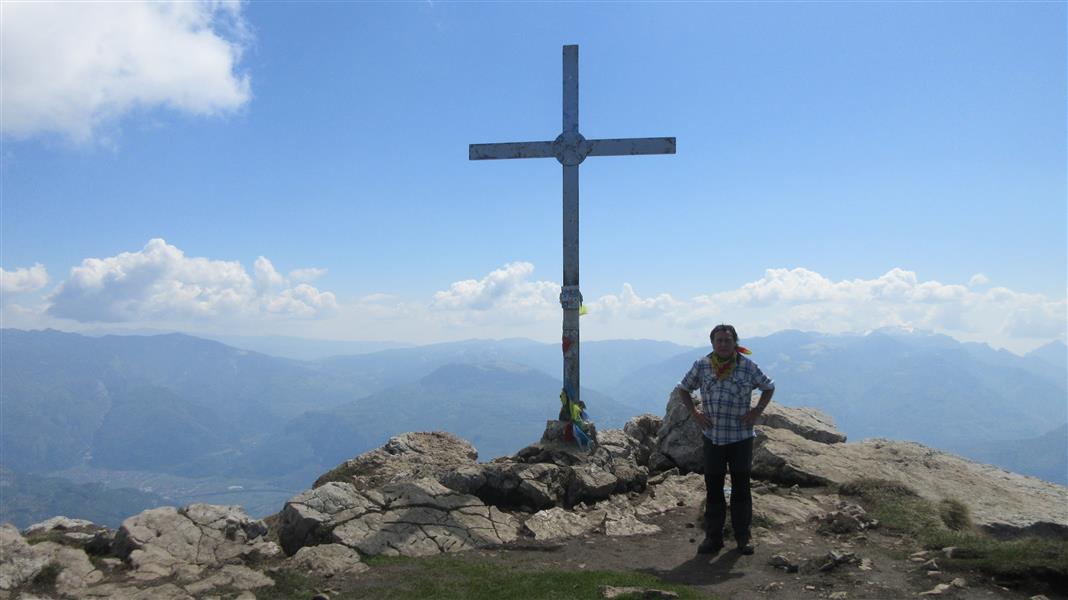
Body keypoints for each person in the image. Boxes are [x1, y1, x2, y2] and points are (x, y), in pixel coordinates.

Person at [675, 324, 775, 556]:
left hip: (741, 438)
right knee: (713, 489)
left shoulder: (747, 366)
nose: (722, 344)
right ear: (712, 343)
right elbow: (683, 388)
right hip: (713, 438)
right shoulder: (702, 365)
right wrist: (695, 413)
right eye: (718, 340)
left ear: (735, 343)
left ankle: (743, 537)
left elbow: (769, 386)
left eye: (727, 340)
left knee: (741, 488)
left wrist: (757, 411)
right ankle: (713, 537)